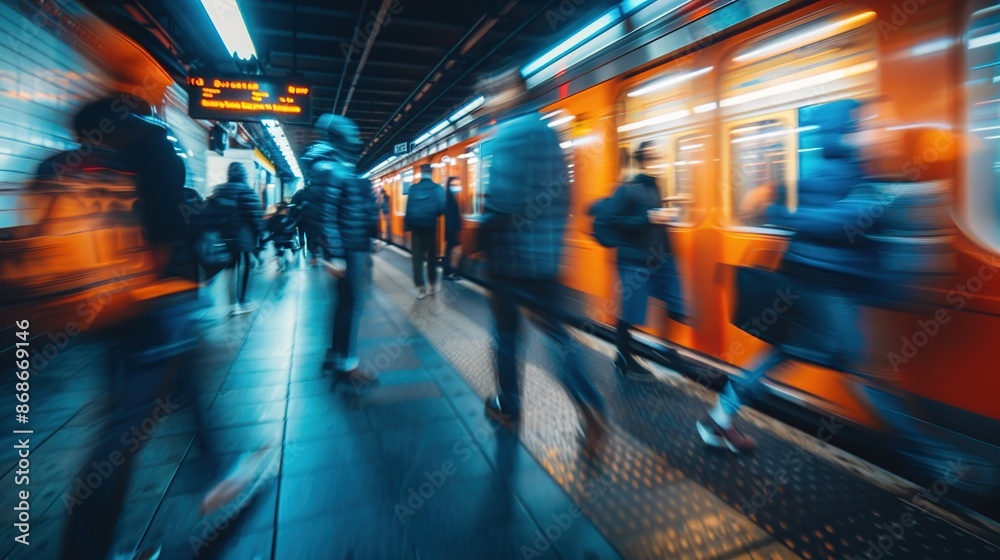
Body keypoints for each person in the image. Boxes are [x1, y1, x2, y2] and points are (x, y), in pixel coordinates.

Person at [59, 97, 272, 560]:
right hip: (155, 298)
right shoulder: (151, 141)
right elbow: (167, 220)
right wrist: (205, 215)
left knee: (176, 392)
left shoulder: (78, 157)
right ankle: (86, 549)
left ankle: (219, 472)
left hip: (104, 306)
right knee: (127, 425)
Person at [696, 99, 879, 452]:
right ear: (843, 132)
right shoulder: (838, 174)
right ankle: (929, 459)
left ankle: (719, 418)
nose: (867, 132)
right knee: (859, 367)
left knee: (786, 354)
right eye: (861, 125)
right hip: (823, 288)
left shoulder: (839, 172)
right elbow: (837, 224)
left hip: (817, 286)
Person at [478, 68, 609, 451]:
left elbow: (499, 202)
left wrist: (478, 245)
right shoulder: (550, 131)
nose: (490, 102)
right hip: (546, 258)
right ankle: (590, 402)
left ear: (514, 91)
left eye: (494, 93)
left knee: (506, 334)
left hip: (507, 258)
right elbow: (567, 194)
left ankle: (508, 403)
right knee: (555, 333)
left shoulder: (505, 135)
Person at [298, 113, 380, 381]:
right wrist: (335, 255)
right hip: (347, 250)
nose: (355, 141)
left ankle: (337, 355)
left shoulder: (334, 165)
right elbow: (327, 215)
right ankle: (347, 364)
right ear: (341, 137)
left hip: (352, 247)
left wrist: (370, 234)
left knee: (345, 304)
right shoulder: (330, 167)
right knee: (351, 304)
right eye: (351, 136)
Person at [607, 141, 687, 381]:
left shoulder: (656, 187)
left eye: (660, 157)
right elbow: (615, 221)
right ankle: (623, 357)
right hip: (634, 260)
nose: (659, 162)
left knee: (676, 304)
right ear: (643, 160)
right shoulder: (627, 189)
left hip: (660, 258)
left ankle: (666, 349)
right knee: (631, 312)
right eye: (654, 157)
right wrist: (648, 218)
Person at [209, 162, 264, 315]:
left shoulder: (219, 191)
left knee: (230, 269)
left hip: (224, 237)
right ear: (243, 175)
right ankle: (243, 302)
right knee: (247, 267)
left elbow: (211, 213)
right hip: (243, 238)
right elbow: (254, 217)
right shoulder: (247, 191)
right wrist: (260, 235)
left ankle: (232, 303)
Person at [404, 163, 445, 299]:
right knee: (432, 259)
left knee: (417, 260)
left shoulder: (413, 188)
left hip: (416, 230)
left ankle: (421, 289)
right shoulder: (437, 188)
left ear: (421, 173)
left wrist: (408, 227)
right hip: (431, 228)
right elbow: (441, 208)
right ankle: (432, 286)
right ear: (431, 173)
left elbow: (408, 209)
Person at [442, 176, 463, 280]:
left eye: (458, 185)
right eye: (453, 185)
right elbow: (451, 218)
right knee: (453, 252)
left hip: (452, 231)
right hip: (452, 231)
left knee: (450, 251)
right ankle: (450, 272)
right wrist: (453, 232)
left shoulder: (451, 199)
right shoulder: (449, 201)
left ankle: (450, 272)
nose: (456, 187)